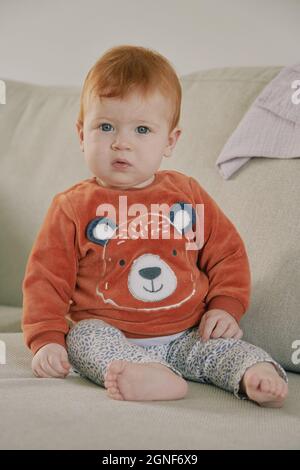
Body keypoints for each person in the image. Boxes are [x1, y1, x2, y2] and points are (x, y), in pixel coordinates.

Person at [22, 45, 288, 407]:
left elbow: (226, 254)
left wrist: (225, 306)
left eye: (142, 129)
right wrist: (46, 340)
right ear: (82, 134)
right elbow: (46, 280)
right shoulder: (72, 208)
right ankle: (147, 375)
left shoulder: (187, 195)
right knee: (81, 338)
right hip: (111, 335)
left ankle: (253, 374)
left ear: (170, 141)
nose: (121, 143)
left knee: (225, 346)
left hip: (187, 334)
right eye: (105, 126)